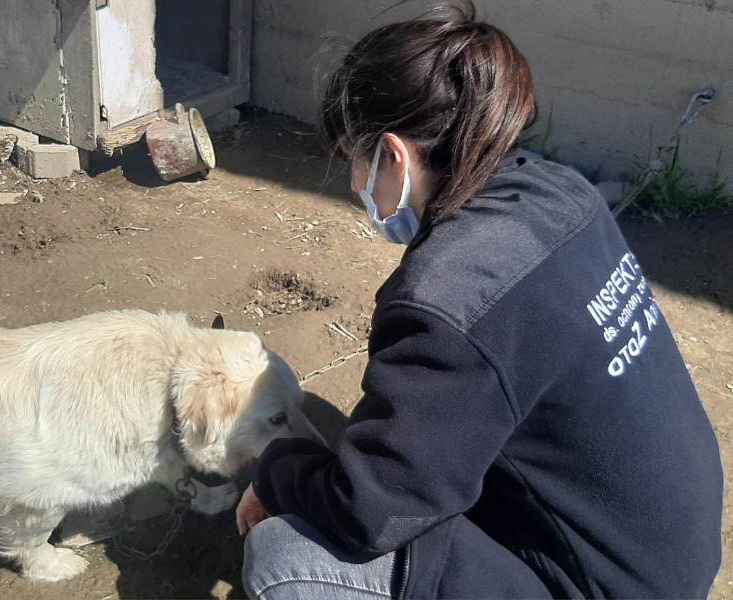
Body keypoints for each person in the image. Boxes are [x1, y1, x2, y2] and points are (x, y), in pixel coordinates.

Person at [235, 2, 724, 598]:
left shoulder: (446, 302)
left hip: (599, 583)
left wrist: (276, 472)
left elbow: (369, 511)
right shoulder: (562, 193)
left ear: (394, 155)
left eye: (356, 162)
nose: (357, 183)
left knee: (283, 556)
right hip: (661, 546)